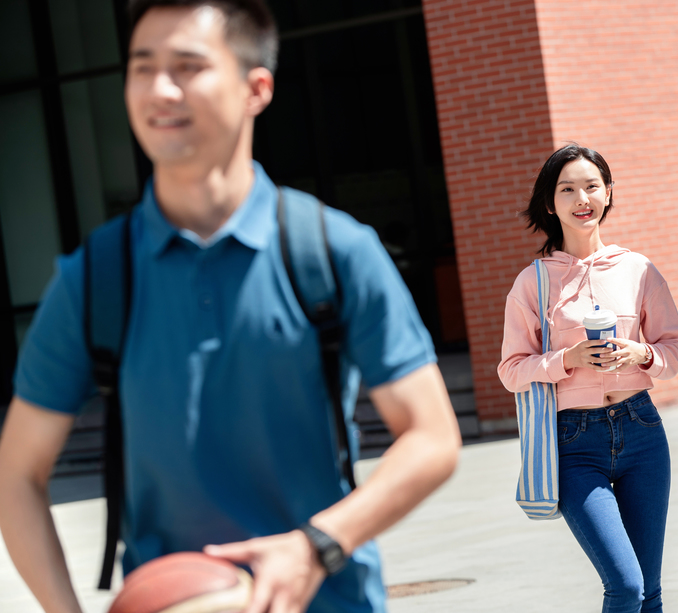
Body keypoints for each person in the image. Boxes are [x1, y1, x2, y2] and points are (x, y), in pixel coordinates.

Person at [0, 1, 461, 612]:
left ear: (256, 87)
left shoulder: (333, 252)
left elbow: (433, 438)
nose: (160, 89)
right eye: (142, 67)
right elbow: (17, 474)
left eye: (188, 66)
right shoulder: (94, 278)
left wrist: (316, 546)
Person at [498, 144, 678, 612]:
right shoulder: (533, 282)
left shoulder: (638, 270)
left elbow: (673, 349)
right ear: (550, 202)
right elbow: (510, 369)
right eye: (568, 189)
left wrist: (641, 353)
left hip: (642, 430)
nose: (582, 198)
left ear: (607, 194)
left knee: (650, 589)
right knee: (624, 585)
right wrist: (568, 358)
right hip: (575, 442)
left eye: (591, 186)